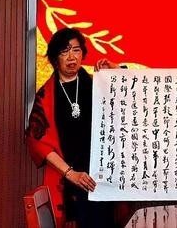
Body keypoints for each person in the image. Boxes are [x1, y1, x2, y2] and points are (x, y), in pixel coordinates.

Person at [25, 28, 115, 227]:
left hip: (102, 179)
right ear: (55, 58)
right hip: (68, 180)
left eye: (76, 50)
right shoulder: (45, 96)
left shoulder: (95, 85)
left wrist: (115, 72)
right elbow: (38, 142)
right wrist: (71, 174)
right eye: (64, 51)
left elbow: (130, 102)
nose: (71, 57)